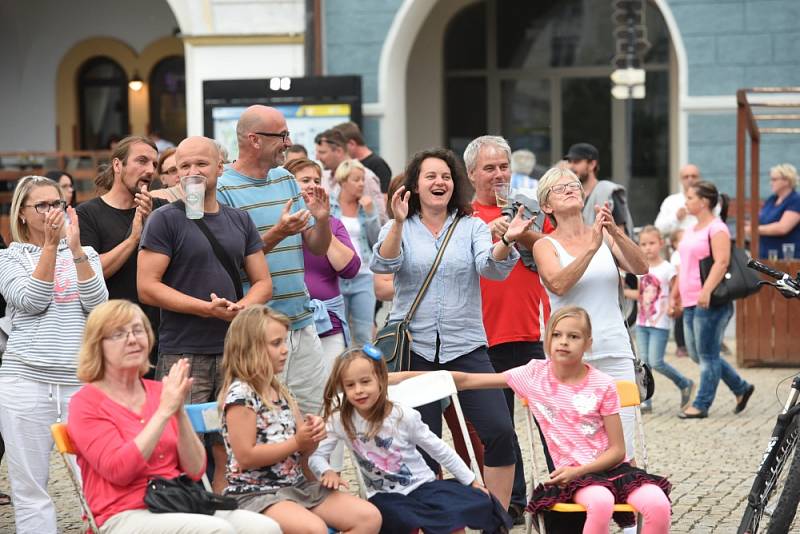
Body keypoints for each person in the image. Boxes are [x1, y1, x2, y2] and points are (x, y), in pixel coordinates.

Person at [370, 147, 533, 508]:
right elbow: (384, 262)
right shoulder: (399, 225)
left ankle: (498, 517)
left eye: (445, 176)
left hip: (467, 346)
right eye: (430, 176)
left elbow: (489, 267)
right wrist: (397, 222)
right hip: (416, 348)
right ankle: (437, 520)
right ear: (415, 184)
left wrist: (507, 240)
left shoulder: (471, 225)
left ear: (454, 183)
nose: (439, 182)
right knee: (424, 440)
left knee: (500, 430)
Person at [449, 306, 673, 534]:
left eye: (573, 336)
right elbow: (467, 379)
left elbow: (617, 450)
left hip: (613, 471)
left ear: (588, 343)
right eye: (557, 335)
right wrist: (415, 375)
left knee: (658, 504)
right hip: (573, 478)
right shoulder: (534, 375)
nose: (563, 341)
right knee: (600, 502)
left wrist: (581, 470)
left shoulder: (603, 384)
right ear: (547, 339)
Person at [67, 300, 281, 533]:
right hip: (122, 513)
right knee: (217, 531)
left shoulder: (160, 392)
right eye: (118, 334)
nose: (132, 339)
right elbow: (119, 471)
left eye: (138, 330)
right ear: (97, 346)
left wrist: (178, 412)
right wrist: (164, 412)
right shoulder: (86, 403)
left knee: (265, 527)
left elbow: (196, 469)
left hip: (179, 502)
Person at [138, 136, 273, 491]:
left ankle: (230, 513)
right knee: (184, 443)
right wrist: (205, 310)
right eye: (184, 166)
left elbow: (262, 283)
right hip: (184, 350)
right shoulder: (164, 220)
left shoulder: (239, 220)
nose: (193, 171)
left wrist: (242, 308)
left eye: (201, 163)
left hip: (235, 350)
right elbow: (147, 286)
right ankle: (191, 515)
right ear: (176, 174)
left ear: (220, 168)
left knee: (231, 441)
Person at [0, 175, 108, 533]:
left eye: (57, 204)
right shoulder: (10, 258)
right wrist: (49, 247)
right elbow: (32, 300)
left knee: (96, 482)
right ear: (22, 215)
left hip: (80, 384)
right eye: (41, 205)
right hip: (25, 381)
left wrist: (75, 250)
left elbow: (98, 306)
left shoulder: (86, 253)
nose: (51, 212)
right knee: (30, 488)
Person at [310, 346, 510, 534]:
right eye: (350, 385)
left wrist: (471, 480)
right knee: (401, 519)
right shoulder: (340, 420)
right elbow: (316, 455)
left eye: (365, 381)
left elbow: (439, 449)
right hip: (385, 496)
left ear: (380, 379)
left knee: (454, 515)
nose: (359, 390)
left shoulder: (402, 415)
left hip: (423, 486)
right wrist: (326, 470)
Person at [219, 305, 382, 534]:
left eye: (284, 342)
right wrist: (297, 442)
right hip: (256, 493)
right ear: (249, 348)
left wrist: (312, 437)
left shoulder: (281, 391)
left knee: (368, 517)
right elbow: (246, 457)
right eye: (276, 343)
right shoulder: (241, 396)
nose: (285, 350)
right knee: (313, 529)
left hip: (297, 486)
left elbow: (301, 452)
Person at [217, 105, 332, 416]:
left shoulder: (285, 179)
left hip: (302, 322)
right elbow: (229, 262)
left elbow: (317, 248)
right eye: (281, 135)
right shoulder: (222, 187)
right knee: (270, 421)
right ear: (254, 140)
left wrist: (322, 220)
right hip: (258, 332)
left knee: (316, 418)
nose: (287, 142)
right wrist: (279, 232)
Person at [532, 166, 648, 461]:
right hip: (570, 355)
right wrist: (590, 249)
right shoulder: (545, 244)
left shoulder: (604, 236)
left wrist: (615, 232)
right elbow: (558, 284)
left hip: (614, 349)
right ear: (547, 205)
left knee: (623, 449)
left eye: (574, 185)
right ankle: (590, 505)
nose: (571, 188)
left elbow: (641, 267)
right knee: (580, 449)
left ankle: (628, 506)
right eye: (560, 188)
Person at [465, 135, 551, 523]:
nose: (499, 175)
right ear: (471, 174)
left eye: (503, 167)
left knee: (552, 417)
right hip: (485, 334)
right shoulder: (465, 217)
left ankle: (560, 491)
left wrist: (521, 232)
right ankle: (513, 500)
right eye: (489, 168)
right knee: (501, 427)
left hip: (533, 329)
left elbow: (551, 253)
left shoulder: (529, 209)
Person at [78, 136, 167, 370]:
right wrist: (134, 237)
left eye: (154, 164)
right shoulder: (88, 214)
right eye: (141, 161)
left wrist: (152, 221)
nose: (149, 170)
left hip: (157, 337)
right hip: (111, 335)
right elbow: (92, 274)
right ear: (118, 165)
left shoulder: (161, 211)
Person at [671, 180, 754, 419]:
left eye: (689, 198)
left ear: (704, 201)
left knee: (707, 356)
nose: (686, 202)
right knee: (699, 354)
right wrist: (675, 295)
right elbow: (684, 266)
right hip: (689, 301)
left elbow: (721, 262)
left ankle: (702, 404)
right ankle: (741, 387)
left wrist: (706, 291)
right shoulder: (692, 228)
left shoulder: (717, 228)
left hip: (710, 301)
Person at [285, 157, 360, 360]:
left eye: (317, 181)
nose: (312, 186)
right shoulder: (277, 223)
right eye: (305, 180)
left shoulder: (333, 224)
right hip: (284, 324)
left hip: (328, 323)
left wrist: (321, 221)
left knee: (329, 389)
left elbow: (350, 269)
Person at [632, 225, 694, 412]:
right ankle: (646, 400)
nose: (647, 247)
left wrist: (674, 306)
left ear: (661, 243)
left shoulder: (668, 269)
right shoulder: (638, 268)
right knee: (643, 362)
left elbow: (678, 290)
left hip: (660, 323)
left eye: (651, 243)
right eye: (643, 244)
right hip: (642, 322)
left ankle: (685, 383)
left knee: (657, 362)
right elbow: (641, 293)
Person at [331, 159, 381, 346]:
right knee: (339, 335)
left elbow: (376, 239)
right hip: (336, 276)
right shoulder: (329, 205)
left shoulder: (366, 206)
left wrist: (370, 214)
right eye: (356, 179)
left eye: (362, 180)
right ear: (343, 182)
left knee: (363, 333)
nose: (361, 184)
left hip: (364, 276)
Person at [315, 129, 387, 222]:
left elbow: (381, 219)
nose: (317, 157)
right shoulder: (324, 176)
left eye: (322, 152)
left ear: (339, 151)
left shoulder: (366, 177)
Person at [565, 143, 634, 236]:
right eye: (569, 161)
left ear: (592, 164)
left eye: (577, 161)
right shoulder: (569, 194)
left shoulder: (608, 191)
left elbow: (621, 235)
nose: (571, 166)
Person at [750, 163, 800, 259]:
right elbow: (760, 220)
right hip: (766, 255)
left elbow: (782, 228)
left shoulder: (796, 200)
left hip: (788, 259)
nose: (771, 183)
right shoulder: (772, 199)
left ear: (787, 181)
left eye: (774, 179)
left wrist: (754, 230)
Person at [334, 121, 393, 194]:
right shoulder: (348, 164)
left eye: (340, 146)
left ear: (352, 143)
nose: (338, 150)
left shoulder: (378, 165)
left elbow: (384, 197)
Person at [654, 164, 703, 236]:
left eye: (694, 176)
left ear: (700, 178)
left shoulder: (707, 200)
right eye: (686, 177)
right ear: (680, 180)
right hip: (678, 245)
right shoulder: (671, 201)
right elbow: (658, 229)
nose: (690, 179)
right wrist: (676, 217)